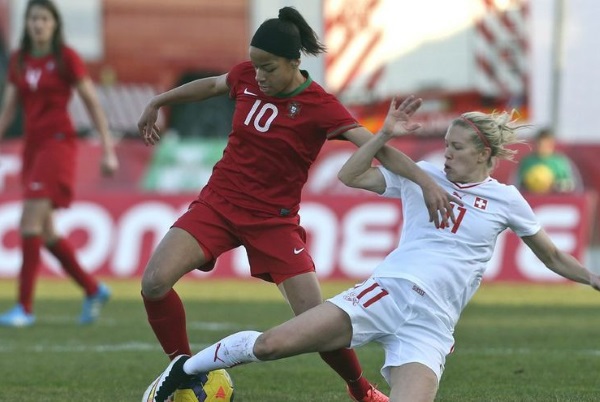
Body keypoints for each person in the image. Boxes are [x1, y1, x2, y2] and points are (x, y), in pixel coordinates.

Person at [141, 96, 600, 402]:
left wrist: (595, 279)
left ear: (483, 154)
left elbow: (553, 256)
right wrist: (382, 136)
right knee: (272, 345)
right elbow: (351, 175)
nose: (446, 155)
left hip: (432, 327)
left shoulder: (507, 200)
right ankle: (183, 370)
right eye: (445, 146)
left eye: (457, 148)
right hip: (389, 291)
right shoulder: (423, 176)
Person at [137, 7, 458, 402]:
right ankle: (182, 370)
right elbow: (210, 85)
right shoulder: (246, 77)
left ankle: (362, 391)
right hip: (217, 205)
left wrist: (425, 182)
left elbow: (378, 150)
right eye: (255, 67)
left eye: (268, 68)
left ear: (294, 62)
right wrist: (159, 101)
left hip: (274, 223)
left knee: (317, 322)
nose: (259, 76)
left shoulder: (320, 105)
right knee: (153, 282)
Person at [0, 0, 119, 327]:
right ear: (26, 25)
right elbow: (9, 108)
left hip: (58, 145)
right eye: (33, 19)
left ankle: (24, 308)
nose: (38, 24)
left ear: (54, 25)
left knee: (29, 223)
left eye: (44, 19)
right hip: (32, 148)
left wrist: (108, 149)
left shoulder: (65, 57)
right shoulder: (19, 60)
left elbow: (92, 102)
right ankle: (93, 289)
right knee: (47, 231)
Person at [515, 128, 580, 194]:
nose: (541, 147)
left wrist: (554, 185)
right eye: (539, 144)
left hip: (554, 199)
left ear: (551, 144)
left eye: (545, 144)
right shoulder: (527, 161)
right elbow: (517, 184)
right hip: (531, 198)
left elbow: (572, 185)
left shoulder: (560, 162)